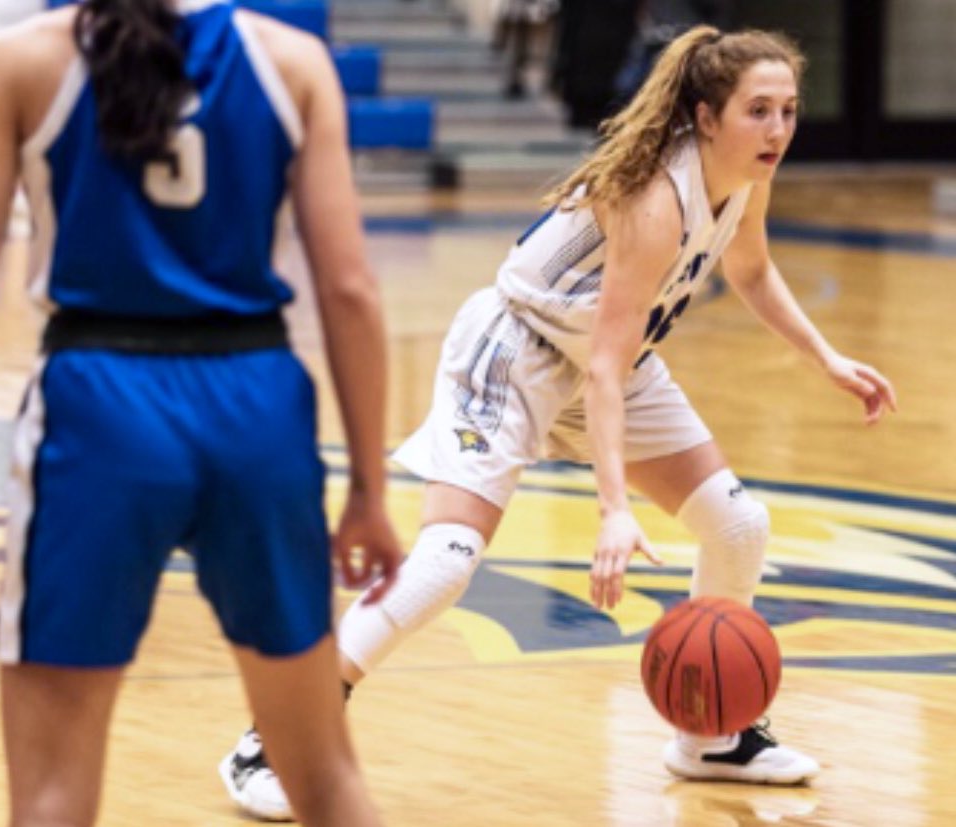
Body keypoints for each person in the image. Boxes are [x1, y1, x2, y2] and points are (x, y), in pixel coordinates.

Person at [222, 24, 898, 820]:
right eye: (759, 110)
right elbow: (606, 365)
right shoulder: (655, 195)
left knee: (738, 526)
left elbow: (748, 268)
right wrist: (614, 510)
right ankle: (270, 739)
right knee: (445, 560)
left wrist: (825, 357)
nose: (779, 129)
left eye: (788, 109)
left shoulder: (747, 174)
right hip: (516, 351)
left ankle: (713, 734)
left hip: (606, 359)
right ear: (706, 116)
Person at [0, 1, 402, 825]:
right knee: (328, 779)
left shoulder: (14, 62)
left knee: (53, 793)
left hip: (98, 400)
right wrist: (369, 487)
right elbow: (349, 292)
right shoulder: (293, 60)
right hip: (256, 399)